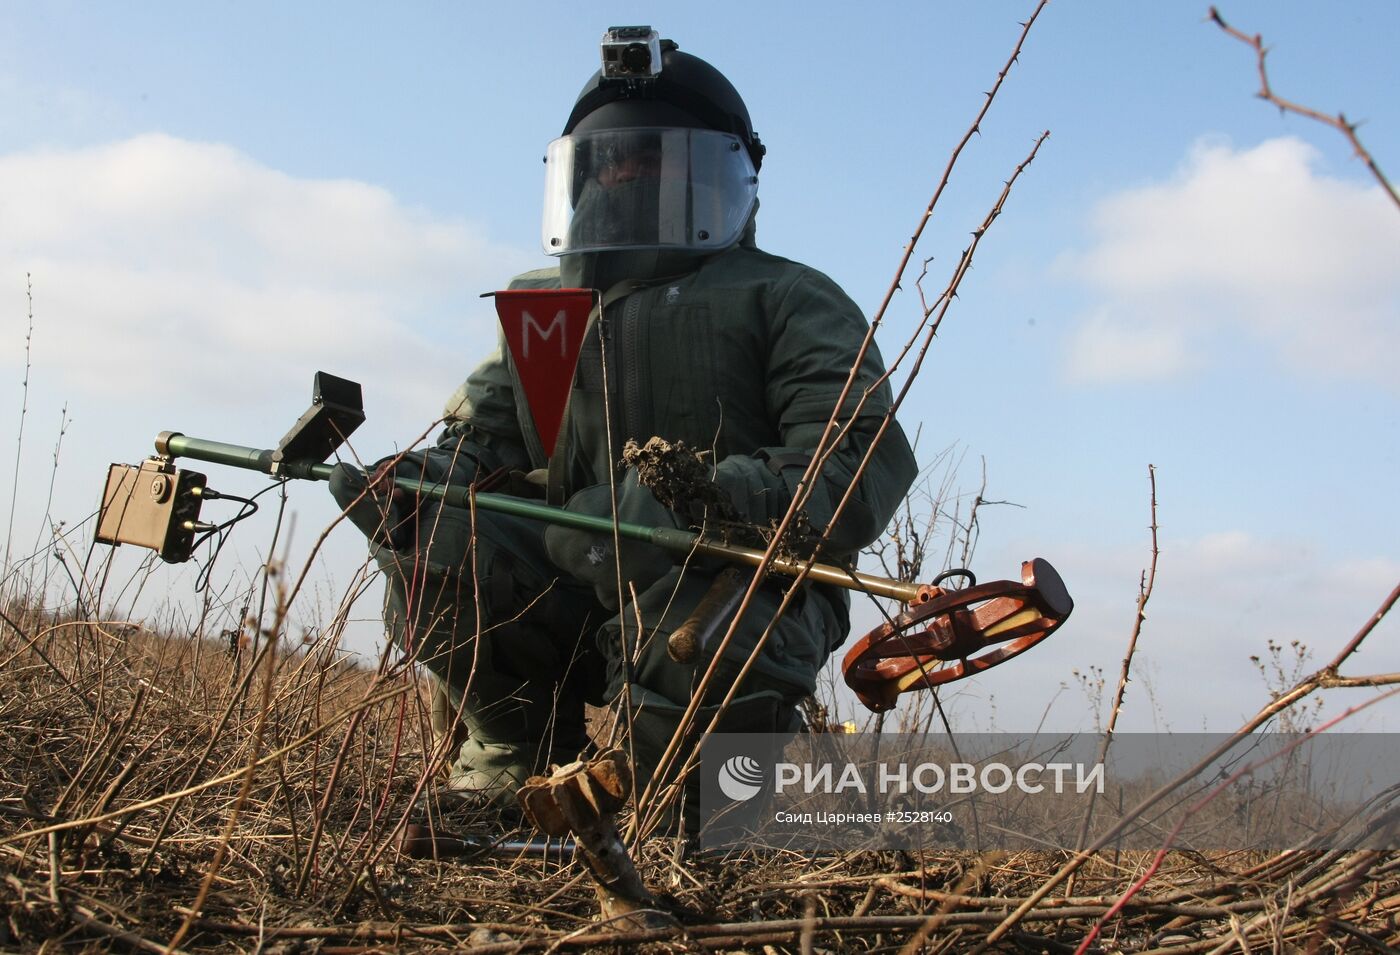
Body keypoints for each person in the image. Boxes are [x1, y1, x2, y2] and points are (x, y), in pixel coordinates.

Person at [330, 28, 917, 832]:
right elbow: (487, 440)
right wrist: (419, 487)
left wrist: (707, 498)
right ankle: (510, 776)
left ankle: (694, 812)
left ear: (717, 176)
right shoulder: (545, 307)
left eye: (655, 158)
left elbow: (861, 458)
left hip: (731, 573)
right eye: (609, 160)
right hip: (572, 566)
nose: (628, 175)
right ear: (579, 176)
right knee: (441, 537)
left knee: (707, 642)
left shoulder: (786, 296)